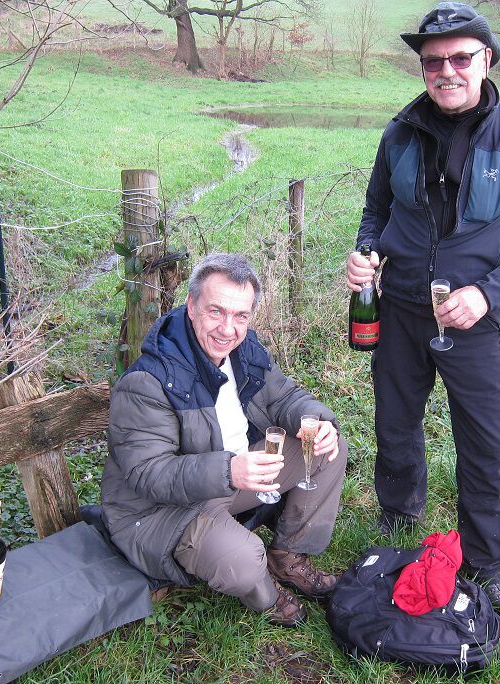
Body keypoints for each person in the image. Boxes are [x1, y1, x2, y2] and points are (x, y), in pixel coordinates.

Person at [346, 2, 500, 618]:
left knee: (486, 442)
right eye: (432, 61)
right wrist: (365, 254)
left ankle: (487, 561)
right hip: (400, 308)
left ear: (486, 59)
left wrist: (487, 293)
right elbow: (377, 210)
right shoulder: (399, 133)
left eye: (460, 58)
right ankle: (398, 517)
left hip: (473, 317)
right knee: (395, 422)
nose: (446, 70)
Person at [103, 253, 347, 627]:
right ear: (191, 305)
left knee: (327, 449)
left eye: (240, 316)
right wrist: (229, 470)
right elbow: (148, 474)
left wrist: (316, 421)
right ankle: (266, 595)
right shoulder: (148, 382)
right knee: (243, 561)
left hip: (234, 476)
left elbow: (283, 396)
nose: (228, 329)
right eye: (216, 311)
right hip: (165, 509)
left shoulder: (243, 350)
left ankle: (288, 556)